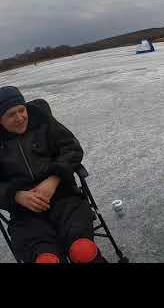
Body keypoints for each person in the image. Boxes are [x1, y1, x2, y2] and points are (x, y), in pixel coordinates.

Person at [0, 86, 106, 263]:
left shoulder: (43, 121)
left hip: (66, 199)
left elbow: (72, 149)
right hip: (25, 214)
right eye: (11, 114)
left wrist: (54, 178)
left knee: (82, 251)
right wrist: (16, 195)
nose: (20, 118)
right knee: (46, 260)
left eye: (21, 110)